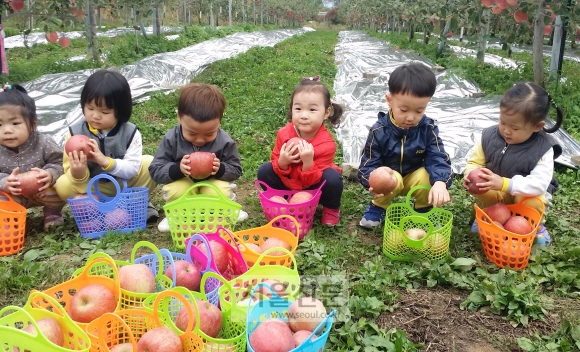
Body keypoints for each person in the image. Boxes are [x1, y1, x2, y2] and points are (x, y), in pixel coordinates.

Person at [463, 82, 563, 246]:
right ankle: (490, 216)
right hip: (498, 194)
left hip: (523, 196)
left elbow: (538, 184)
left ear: (537, 126)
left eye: (515, 128)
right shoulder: (489, 136)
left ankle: (534, 226)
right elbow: (475, 162)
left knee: (533, 200)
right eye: (503, 122)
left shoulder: (544, 148)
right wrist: (470, 173)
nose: (506, 131)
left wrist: (504, 183)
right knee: (482, 186)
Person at [55, 70, 158, 222]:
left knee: (150, 164)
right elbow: (69, 171)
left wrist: (106, 162)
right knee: (63, 184)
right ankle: (101, 207)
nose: (95, 115)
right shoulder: (74, 133)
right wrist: (78, 172)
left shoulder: (130, 133)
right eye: (90, 108)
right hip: (94, 187)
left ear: (120, 110)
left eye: (104, 111)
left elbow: (132, 169)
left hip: (124, 185)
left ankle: (136, 202)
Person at [358, 63, 453, 228]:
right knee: (384, 175)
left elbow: (437, 156)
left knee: (427, 176)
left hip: (414, 177)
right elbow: (369, 162)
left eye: (419, 111)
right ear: (389, 100)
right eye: (403, 110)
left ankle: (423, 208)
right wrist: (370, 182)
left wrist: (440, 182)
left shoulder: (427, 128)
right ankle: (378, 205)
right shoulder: (379, 130)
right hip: (391, 179)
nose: (410, 117)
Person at [149, 83, 246, 232]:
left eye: (209, 134)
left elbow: (236, 169)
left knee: (221, 190)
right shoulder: (171, 139)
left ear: (219, 121)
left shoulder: (224, 141)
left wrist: (220, 169)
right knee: (175, 189)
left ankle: (225, 210)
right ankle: (176, 215)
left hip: (212, 184)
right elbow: (155, 170)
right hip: (184, 183)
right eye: (192, 133)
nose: (200, 140)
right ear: (179, 118)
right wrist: (177, 169)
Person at [257, 76, 344, 226]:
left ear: (326, 112)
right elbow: (275, 161)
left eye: (312, 109)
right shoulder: (284, 134)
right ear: (291, 109)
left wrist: (308, 163)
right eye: (298, 109)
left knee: (333, 178)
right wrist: (282, 162)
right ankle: (281, 200)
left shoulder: (326, 144)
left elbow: (315, 179)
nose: (304, 115)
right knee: (265, 170)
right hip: (288, 181)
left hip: (313, 187)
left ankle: (331, 209)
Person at [0, 84, 65, 230]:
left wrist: (50, 174)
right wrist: (5, 182)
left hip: (43, 190)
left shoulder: (44, 142)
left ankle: (52, 213)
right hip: (14, 194)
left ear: (32, 124)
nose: (7, 130)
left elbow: (60, 162)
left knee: (59, 189)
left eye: (15, 123)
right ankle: (12, 218)